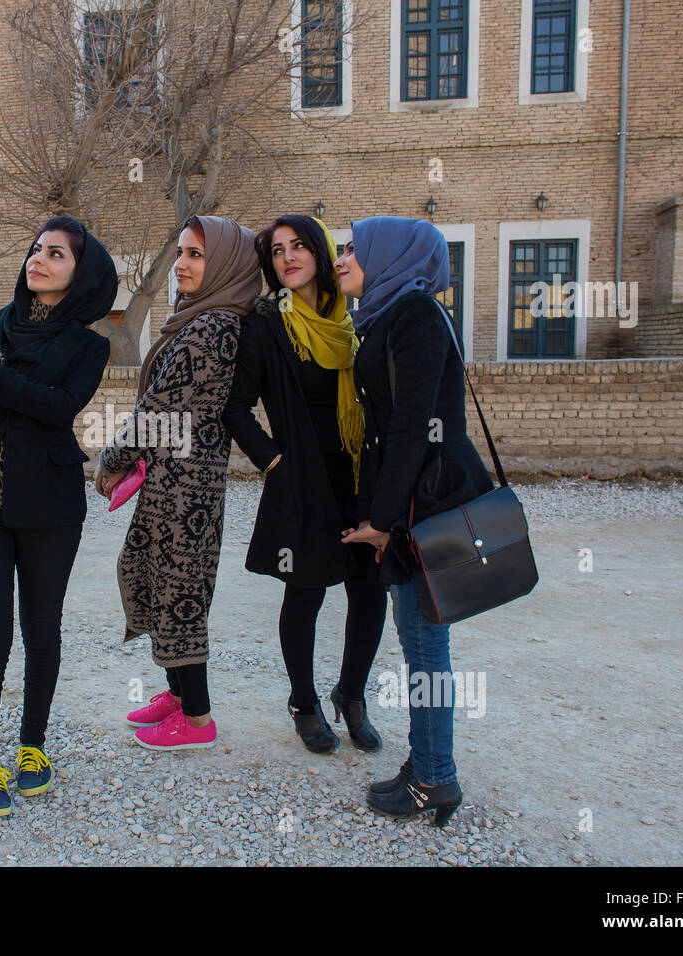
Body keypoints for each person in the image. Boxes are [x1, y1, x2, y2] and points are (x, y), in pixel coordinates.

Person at [0, 216, 117, 817]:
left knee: (42, 630)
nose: (39, 259)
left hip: (48, 509)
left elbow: (56, 408)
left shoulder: (90, 346)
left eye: (56, 254)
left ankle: (32, 747)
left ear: (79, 274)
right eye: (38, 250)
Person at [339, 216, 493, 828]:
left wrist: (381, 519)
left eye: (356, 248)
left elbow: (410, 426)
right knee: (420, 638)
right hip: (412, 497)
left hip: (426, 500)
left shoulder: (417, 316)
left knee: (426, 642)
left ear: (393, 256)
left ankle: (435, 777)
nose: (344, 257)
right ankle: (429, 765)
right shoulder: (389, 313)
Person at [223, 215, 388, 755]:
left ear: (320, 251)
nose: (287, 257)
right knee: (307, 592)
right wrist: (274, 463)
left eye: (298, 247)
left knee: (369, 591)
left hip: (362, 479)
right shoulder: (267, 324)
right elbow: (236, 408)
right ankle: (303, 702)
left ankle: (352, 695)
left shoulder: (353, 322)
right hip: (303, 483)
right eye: (276, 251)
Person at [94, 215, 259, 751]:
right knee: (155, 577)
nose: (182, 265)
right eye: (182, 254)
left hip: (187, 486)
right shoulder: (200, 317)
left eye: (197, 256)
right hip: (174, 478)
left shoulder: (214, 326)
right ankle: (178, 694)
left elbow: (160, 409)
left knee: (180, 592)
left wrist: (111, 458)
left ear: (227, 266)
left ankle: (198, 719)